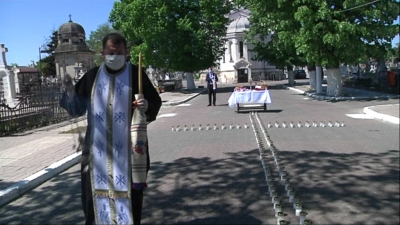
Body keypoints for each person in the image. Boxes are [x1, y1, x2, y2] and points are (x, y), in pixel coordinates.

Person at [59, 33, 161, 225]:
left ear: (126, 53)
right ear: (103, 52)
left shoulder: (136, 75)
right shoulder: (92, 77)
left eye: (120, 52)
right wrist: (70, 94)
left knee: (130, 199)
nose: (115, 56)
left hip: (129, 152)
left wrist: (147, 105)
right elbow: (75, 108)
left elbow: (154, 102)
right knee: (94, 198)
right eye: (111, 52)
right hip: (97, 152)